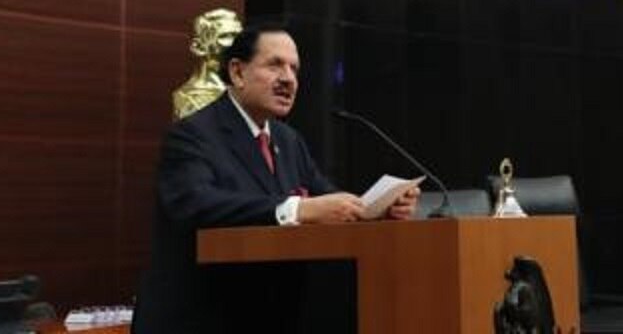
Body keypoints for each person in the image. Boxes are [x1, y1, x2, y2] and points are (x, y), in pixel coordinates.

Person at [133, 22, 419, 333]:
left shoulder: (288, 140)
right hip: (201, 317)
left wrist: (376, 210)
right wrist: (296, 209)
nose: (289, 79)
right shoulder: (193, 134)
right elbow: (195, 204)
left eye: (294, 69)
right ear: (238, 72)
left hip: (270, 315)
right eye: (275, 65)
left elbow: (326, 200)